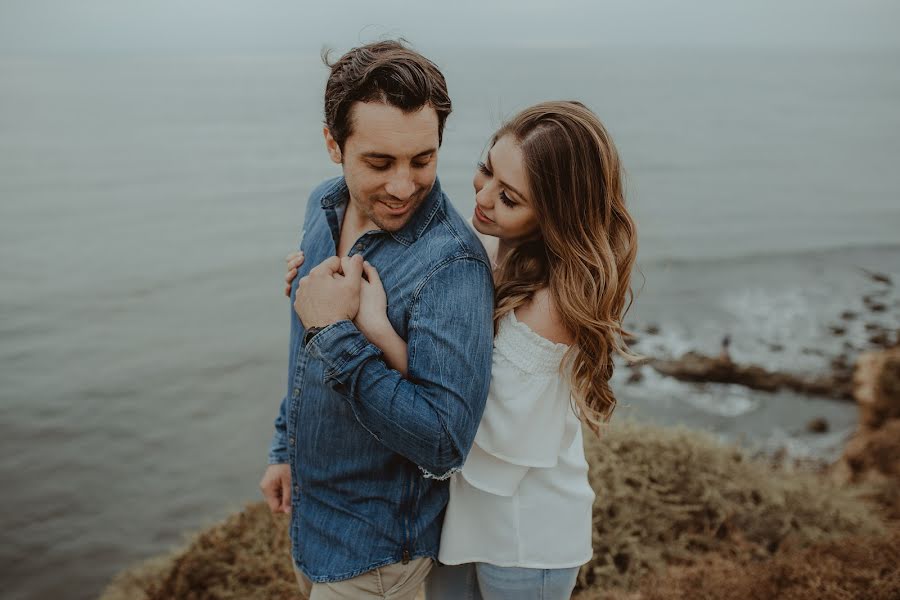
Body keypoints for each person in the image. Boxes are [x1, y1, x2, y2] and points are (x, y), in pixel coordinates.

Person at [285, 101, 639, 599]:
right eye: (486, 169)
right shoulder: (489, 248)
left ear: (554, 215)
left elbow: (474, 420)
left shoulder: (553, 303)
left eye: (510, 198)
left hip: (525, 533)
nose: (484, 197)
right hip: (460, 516)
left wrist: (378, 330)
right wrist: (318, 282)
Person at [260, 40, 495, 600]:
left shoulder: (453, 266)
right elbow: (304, 348)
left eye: (424, 159)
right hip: (312, 523)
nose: (403, 185)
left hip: (379, 556)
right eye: (379, 162)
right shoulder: (323, 205)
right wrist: (283, 450)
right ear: (332, 144)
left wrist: (334, 332)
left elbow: (444, 442)